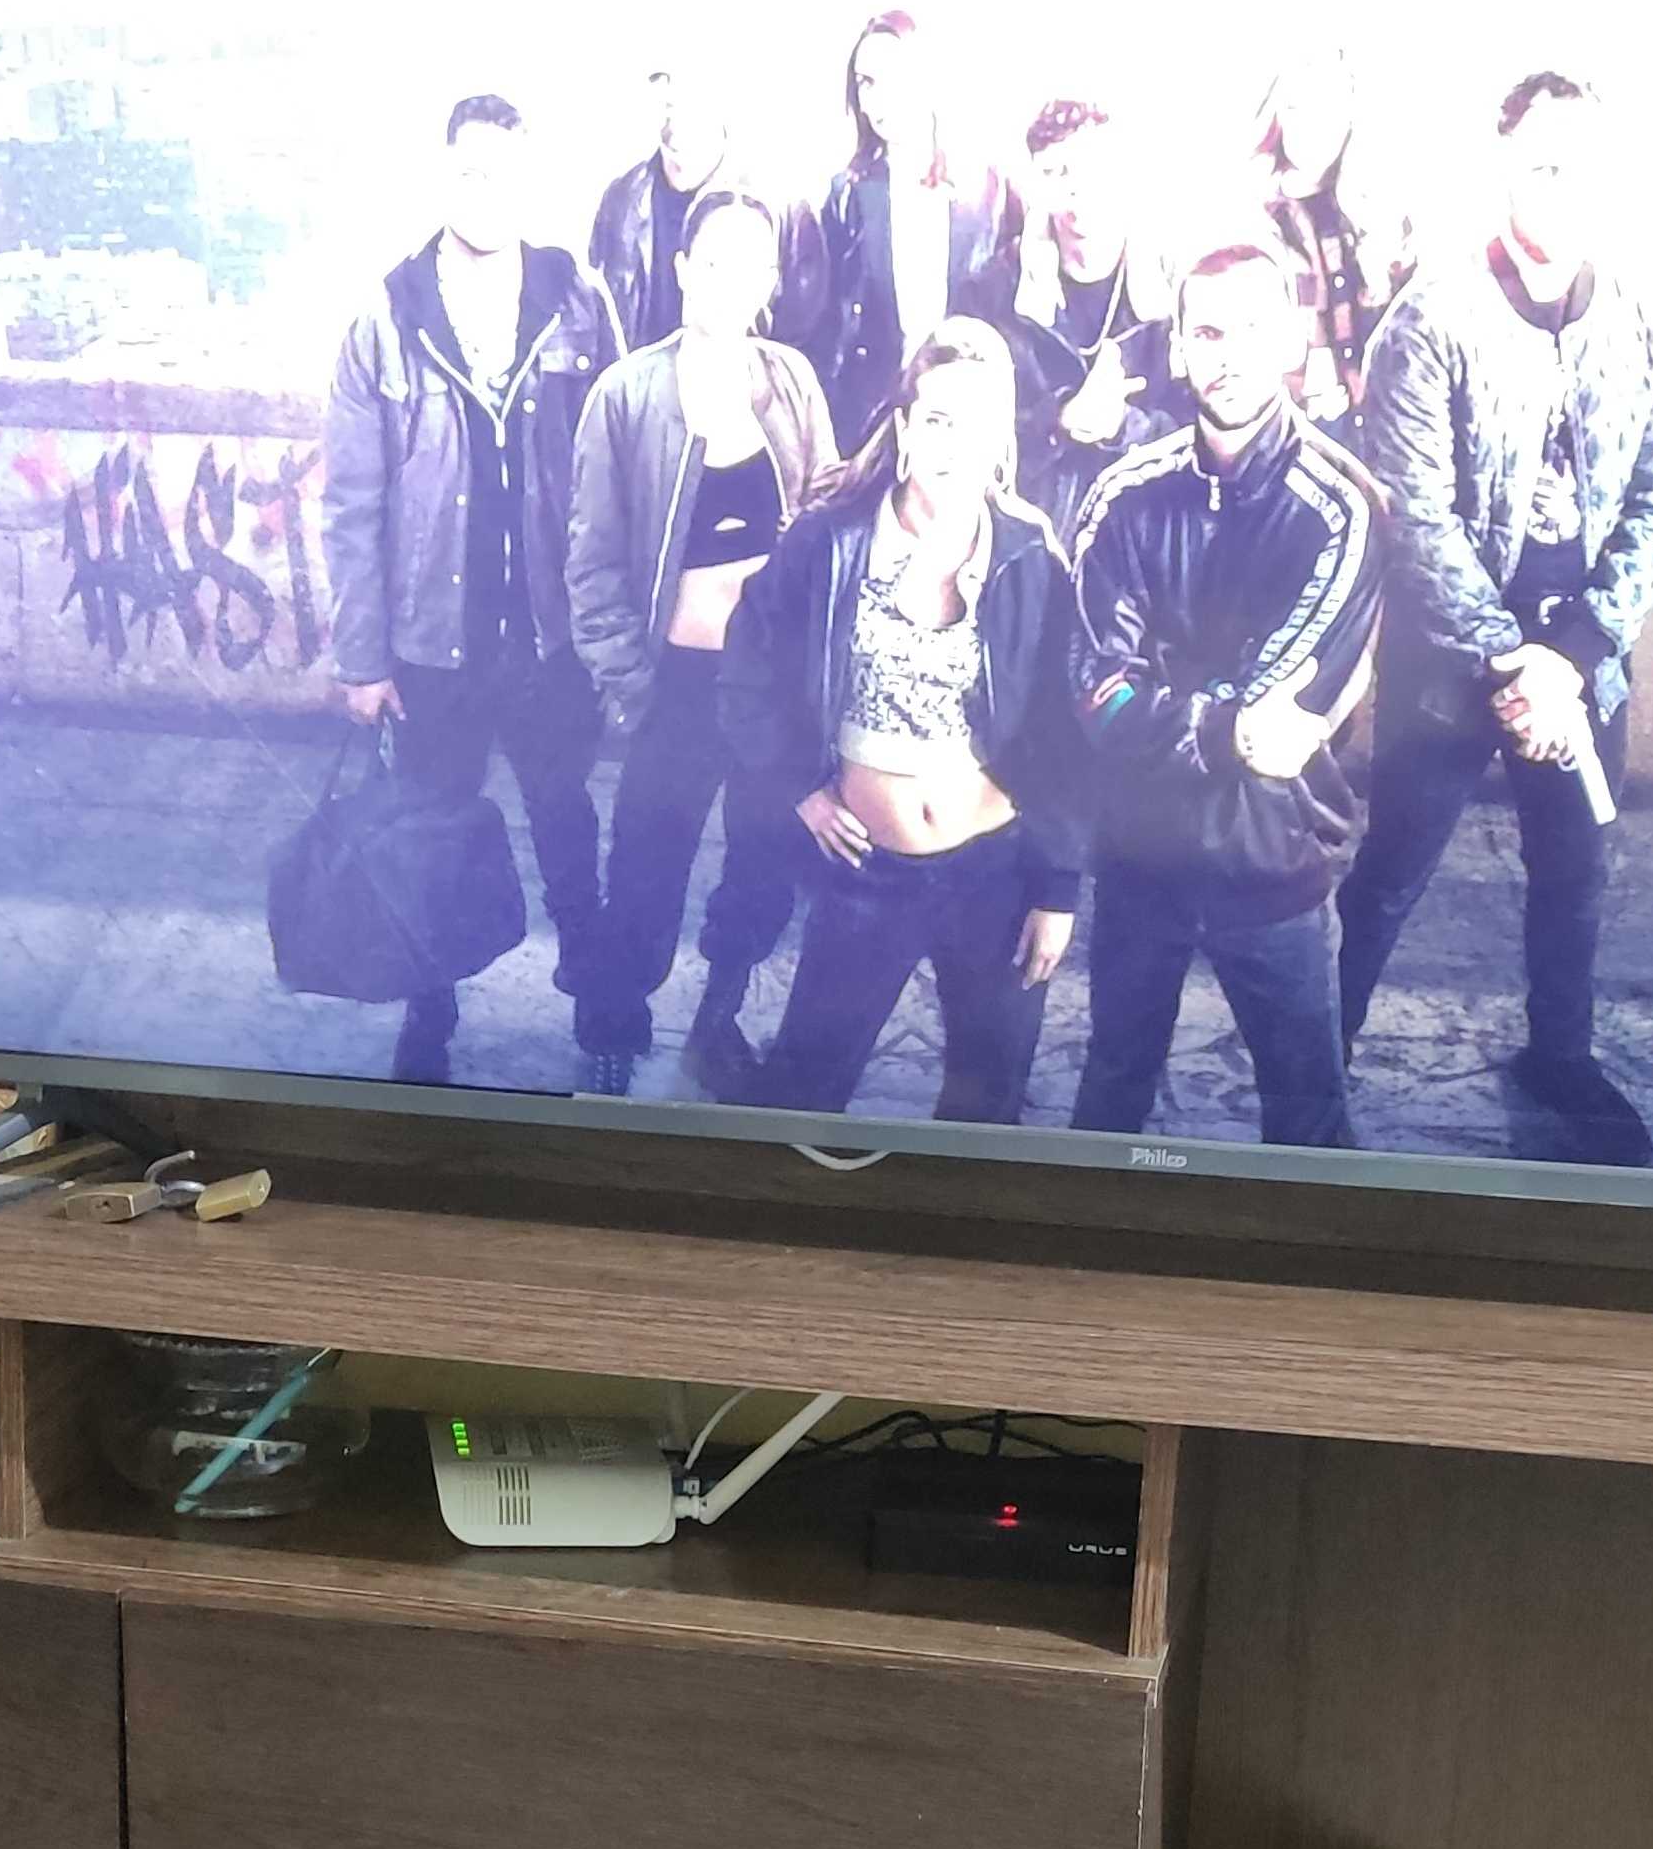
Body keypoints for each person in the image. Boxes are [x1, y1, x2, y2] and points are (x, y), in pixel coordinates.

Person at [1337, 64, 1653, 1168]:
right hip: (1449, 660)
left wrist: (1573, 655)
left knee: (1575, 868)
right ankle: (1318, 1045)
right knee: (1392, 868)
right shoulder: (1428, 317)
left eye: (1578, 167)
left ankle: (1560, 1056)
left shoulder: (1641, 316)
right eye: (1540, 163)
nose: (1559, 184)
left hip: (1582, 654)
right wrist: (1512, 660)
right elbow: (1415, 515)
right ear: (1501, 164)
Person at [720, 319, 1084, 1124]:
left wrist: (1058, 889)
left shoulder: (1030, 553)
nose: (956, 445)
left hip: (995, 872)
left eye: (978, 424)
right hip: (868, 869)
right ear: (907, 426)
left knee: (986, 1107)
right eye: (939, 420)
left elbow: (1061, 735)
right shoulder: (828, 540)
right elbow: (746, 670)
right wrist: (801, 788)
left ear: (1003, 439)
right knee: (804, 1095)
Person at [323, 94, 618, 1087]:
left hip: (547, 637)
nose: (485, 191)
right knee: (429, 838)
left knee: (566, 822)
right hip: (432, 646)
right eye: (469, 171)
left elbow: (615, 473)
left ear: (529, 184)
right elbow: (352, 502)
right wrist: (362, 661)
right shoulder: (386, 318)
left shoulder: (578, 302)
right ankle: (431, 1009)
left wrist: (611, 633)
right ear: (444, 176)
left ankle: (597, 999)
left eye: (503, 173)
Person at [1063, 244, 1382, 1152]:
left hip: (1272, 859)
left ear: (1289, 338)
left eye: (1249, 329)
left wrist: (1160, 710)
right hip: (1141, 859)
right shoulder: (1124, 496)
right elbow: (1095, 694)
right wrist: (1221, 729)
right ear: (1177, 346)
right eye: (1206, 332)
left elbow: (1285, 717)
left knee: (1308, 1117)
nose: (1229, 354)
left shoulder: (1342, 508)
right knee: (1111, 1101)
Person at [567, 192, 839, 1095]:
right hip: (674, 687)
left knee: (761, 866)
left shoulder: (791, 382)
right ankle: (614, 1021)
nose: (729, 279)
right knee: (646, 864)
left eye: (750, 263)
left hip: (771, 688)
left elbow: (828, 519)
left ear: (770, 281)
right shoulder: (627, 394)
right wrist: (631, 688)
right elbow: (593, 562)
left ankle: (717, 1022)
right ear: (683, 268)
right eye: (712, 258)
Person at [808, 12, 1020, 447]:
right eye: (866, 82)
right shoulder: (848, 195)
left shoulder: (990, 189)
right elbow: (829, 326)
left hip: (970, 412)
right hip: (875, 418)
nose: (877, 98)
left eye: (893, 76)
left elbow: (1012, 315)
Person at [1002, 101, 1176, 546]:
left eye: (1094, 170)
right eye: (1056, 173)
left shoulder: (1175, 285)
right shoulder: (995, 289)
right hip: (1037, 536)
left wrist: (1123, 425)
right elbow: (974, 433)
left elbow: (1206, 426)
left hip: (1150, 528)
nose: (1077, 192)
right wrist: (1058, 421)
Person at [587, 65, 823, 358]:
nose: (677, 123)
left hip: (741, 385)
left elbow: (810, 333)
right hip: (643, 386)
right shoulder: (621, 201)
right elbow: (602, 327)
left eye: (693, 99)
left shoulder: (781, 202)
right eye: (668, 103)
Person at [1253, 52, 1409, 423]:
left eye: (1327, 110)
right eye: (1296, 109)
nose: (1311, 127)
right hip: (1287, 424)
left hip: (1384, 420)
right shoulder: (1252, 219)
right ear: (1278, 116)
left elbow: (1409, 329)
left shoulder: (1378, 211)